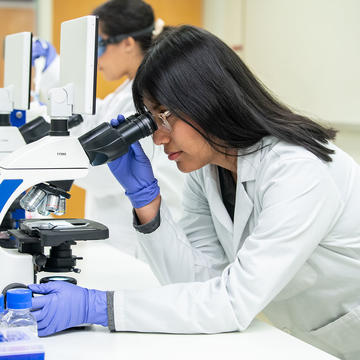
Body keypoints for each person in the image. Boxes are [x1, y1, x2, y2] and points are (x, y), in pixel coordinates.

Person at [29, 25, 360, 360]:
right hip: (296, 339)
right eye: (151, 121)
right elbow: (197, 282)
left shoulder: (298, 170)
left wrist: (99, 306)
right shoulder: (209, 171)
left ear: (209, 100)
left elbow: (231, 301)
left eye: (164, 116)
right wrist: (147, 203)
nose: (158, 138)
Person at [31, 0, 184, 255]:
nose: (96, 58)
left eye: (100, 45)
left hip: (137, 241)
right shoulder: (125, 91)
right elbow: (94, 119)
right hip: (119, 234)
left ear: (127, 43)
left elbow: (104, 174)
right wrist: (52, 79)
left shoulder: (150, 97)